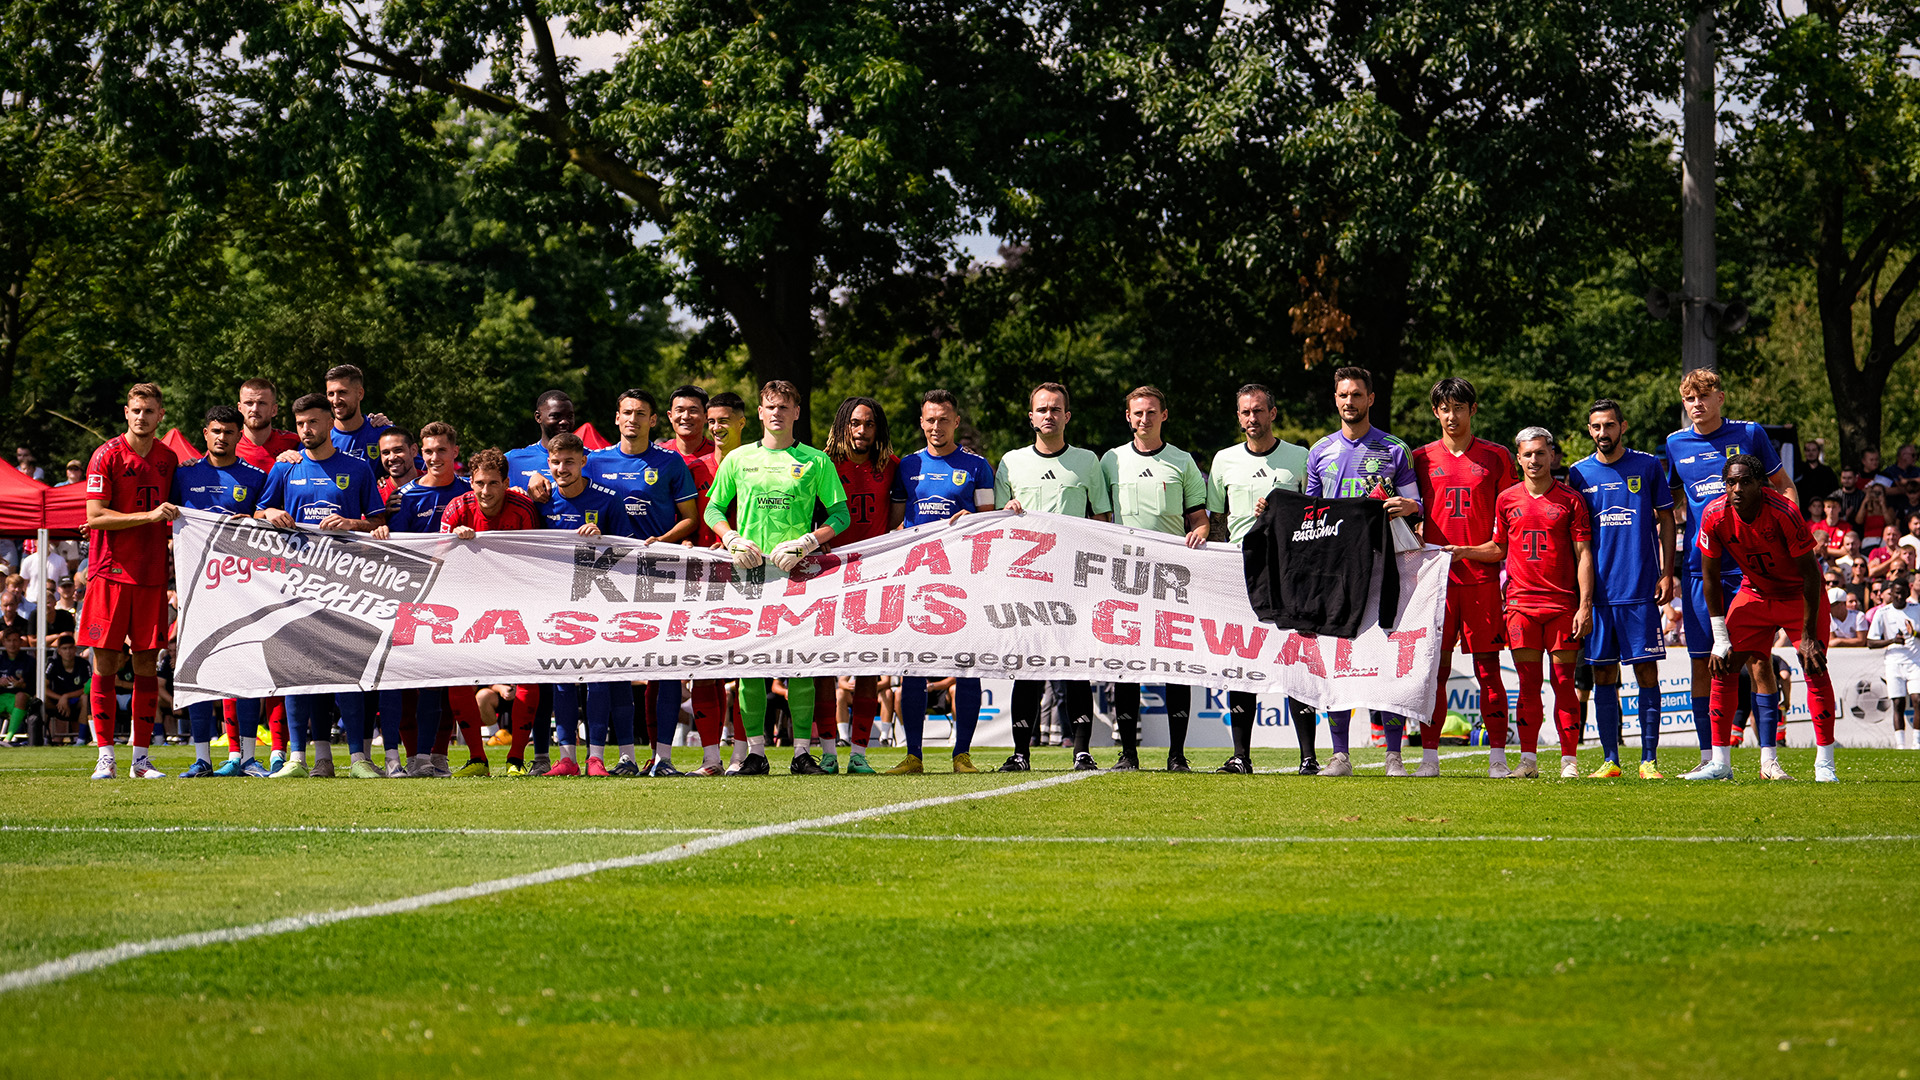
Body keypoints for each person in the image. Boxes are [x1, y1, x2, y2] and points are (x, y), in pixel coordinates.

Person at [704, 380, 850, 776]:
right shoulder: (738, 460)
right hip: (750, 575)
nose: (777, 413)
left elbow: (841, 516)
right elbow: (713, 509)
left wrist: (807, 542)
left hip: (798, 575)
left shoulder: (816, 461)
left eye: (785, 407)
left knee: (799, 664)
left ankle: (801, 753)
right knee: (750, 667)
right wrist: (731, 538)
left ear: (796, 413)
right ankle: (755, 753)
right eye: (770, 407)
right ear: (760, 412)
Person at [1665, 368, 1795, 772]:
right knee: (1704, 662)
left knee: (1758, 660)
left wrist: (1791, 537)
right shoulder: (1674, 443)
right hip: (1700, 568)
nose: (1697, 404)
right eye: (1689, 399)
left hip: (1749, 566)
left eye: (1704, 396)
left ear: (1721, 398)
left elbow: (1784, 486)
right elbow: (1671, 506)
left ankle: (1768, 758)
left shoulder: (1750, 433)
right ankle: (1710, 758)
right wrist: (1666, 567)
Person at [254, 392, 386, 778]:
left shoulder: (357, 469)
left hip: (346, 582)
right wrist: (271, 511)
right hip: (297, 581)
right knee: (299, 668)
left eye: (313, 422)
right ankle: (305, 758)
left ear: (329, 423)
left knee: (347, 666)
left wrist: (351, 523)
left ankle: (359, 759)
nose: (306, 430)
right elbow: (258, 513)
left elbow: (378, 522)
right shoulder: (285, 467)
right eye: (299, 424)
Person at [1449, 427, 1594, 778]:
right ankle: (1527, 760)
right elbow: (1499, 548)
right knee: (1528, 685)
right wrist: (1463, 551)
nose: (1534, 460)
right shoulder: (1507, 500)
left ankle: (1569, 761)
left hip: (1561, 606)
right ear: (1518, 458)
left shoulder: (1571, 500)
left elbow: (1584, 554)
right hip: (1519, 607)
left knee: (1563, 683)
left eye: (1540, 453)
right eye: (1527, 454)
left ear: (1552, 455)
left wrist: (1585, 605)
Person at [1689, 453, 1839, 782]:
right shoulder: (1713, 514)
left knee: (1814, 667)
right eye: (1731, 482)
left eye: (1745, 481)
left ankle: (1825, 763)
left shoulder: (1784, 512)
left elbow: (1811, 575)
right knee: (1724, 664)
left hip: (1797, 595)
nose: (1737, 488)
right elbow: (1710, 578)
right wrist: (1720, 637)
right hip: (1754, 592)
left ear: (1761, 484)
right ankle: (1720, 763)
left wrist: (1809, 636)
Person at [1303, 366, 1422, 777]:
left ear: (1370, 398)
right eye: (1342, 395)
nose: (1349, 402)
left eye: (1357, 394)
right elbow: (1310, 514)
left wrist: (1408, 508)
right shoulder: (1319, 451)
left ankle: (1394, 755)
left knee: (1388, 659)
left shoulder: (1395, 450)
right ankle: (1340, 755)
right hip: (1336, 572)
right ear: (1335, 400)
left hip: (1385, 566)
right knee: (1339, 661)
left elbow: (1416, 508)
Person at [994, 381, 1111, 772]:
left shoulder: (1087, 461)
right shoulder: (1010, 462)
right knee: (1027, 665)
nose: (1049, 415)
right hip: (1024, 583)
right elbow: (993, 523)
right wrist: (1005, 509)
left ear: (1067, 416)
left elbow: (1103, 521)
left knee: (1074, 664)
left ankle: (1081, 751)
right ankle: (1020, 753)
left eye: (1056, 409)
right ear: (1031, 417)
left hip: (1073, 582)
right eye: (1042, 409)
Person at [585, 389, 697, 776]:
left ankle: (663, 757)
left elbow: (691, 519)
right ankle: (626, 757)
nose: (633, 419)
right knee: (613, 665)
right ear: (616, 418)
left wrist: (665, 539)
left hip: (658, 571)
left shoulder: (670, 463)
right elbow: (566, 499)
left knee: (664, 665)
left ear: (654, 420)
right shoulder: (593, 462)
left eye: (641, 414)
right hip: (608, 575)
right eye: (626, 413)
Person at [1206, 383, 1316, 774]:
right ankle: (1241, 755)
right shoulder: (1223, 460)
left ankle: (1308, 757)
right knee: (1241, 662)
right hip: (1239, 570)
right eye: (1245, 413)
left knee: (1296, 660)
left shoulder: (1300, 457)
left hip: (1289, 570)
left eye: (1259, 411)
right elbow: (1217, 521)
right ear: (1239, 417)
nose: (1252, 419)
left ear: (1273, 413)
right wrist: (1217, 566)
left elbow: (1315, 513)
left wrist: (1281, 512)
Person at [1411, 377, 1517, 779]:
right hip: (1434, 581)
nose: (1451, 416)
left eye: (1459, 408)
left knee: (1488, 668)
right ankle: (1430, 758)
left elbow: (1512, 512)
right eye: (1444, 408)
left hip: (1482, 578)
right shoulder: (1419, 457)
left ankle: (1497, 758)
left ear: (1473, 410)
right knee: (1433, 669)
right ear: (1436, 412)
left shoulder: (1496, 457)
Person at [1100, 385, 1208, 772]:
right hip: (1124, 578)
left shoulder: (1183, 461)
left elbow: (1199, 517)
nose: (1143, 419)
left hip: (1172, 581)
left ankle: (1177, 756)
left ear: (1164, 415)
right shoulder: (1109, 461)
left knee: (1175, 665)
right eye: (1136, 413)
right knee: (1126, 666)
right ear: (1128, 417)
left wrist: (1202, 531)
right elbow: (1098, 519)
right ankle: (1127, 754)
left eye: (1150, 412)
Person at [376, 422, 493, 778]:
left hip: (460, 599)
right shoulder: (405, 497)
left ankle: (436, 757)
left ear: (455, 452)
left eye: (441, 450)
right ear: (418, 453)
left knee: (444, 685)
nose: (434, 457)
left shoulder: (470, 492)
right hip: (414, 599)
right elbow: (396, 548)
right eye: (428, 451)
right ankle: (413, 757)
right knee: (408, 681)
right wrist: (383, 530)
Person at [1568, 398, 1676, 779]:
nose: (1603, 434)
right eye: (1596, 427)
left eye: (1609, 426)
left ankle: (1648, 760)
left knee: (1647, 675)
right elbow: (1576, 539)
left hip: (1639, 590)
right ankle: (1611, 760)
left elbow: (1666, 519)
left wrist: (1666, 572)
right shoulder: (1577, 474)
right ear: (1589, 430)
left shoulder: (1646, 466)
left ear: (1622, 426)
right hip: (1597, 597)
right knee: (1602, 677)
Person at [80, 382, 180, 779]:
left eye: (149, 411)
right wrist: (151, 516)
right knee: (105, 663)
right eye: (136, 410)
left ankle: (141, 759)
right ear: (126, 412)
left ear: (161, 416)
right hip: (110, 572)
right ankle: (105, 755)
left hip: (153, 575)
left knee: (145, 666)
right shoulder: (105, 455)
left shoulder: (168, 459)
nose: (142, 417)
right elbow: (95, 516)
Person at [889, 390, 991, 774]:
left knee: (967, 662)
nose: (936, 426)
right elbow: (894, 524)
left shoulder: (978, 466)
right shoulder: (907, 465)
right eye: (930, 419)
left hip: (963, 575)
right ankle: (913, 754)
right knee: (912, 663)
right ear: (921, 422)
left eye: (943, 419)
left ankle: (961, 754)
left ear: (956, 422)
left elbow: (988, 519)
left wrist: (972, 519)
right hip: (916, 576)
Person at [168, 405, 270, 777]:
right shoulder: (184, 476)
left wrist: (257, 517)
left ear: (238, 435)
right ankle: (201, 758)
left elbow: (268, 517)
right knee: (196, 669)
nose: (222, 438)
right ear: (205, 433)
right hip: (195, 590)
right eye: (215, 431)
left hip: (242, 586)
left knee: (246, 666)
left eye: (229, 432)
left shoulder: (256, 477)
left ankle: (247, 757)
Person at [537, 431, 640, 777]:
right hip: (554, 601)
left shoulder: (609, 500)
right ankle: (566, 758)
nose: (562, 468)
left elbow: (630, 550)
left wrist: (604, 541)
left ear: (584, 462)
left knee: (599, 676)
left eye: (569, 461)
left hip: (599, 601)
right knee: (563, 678)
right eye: (555, 462)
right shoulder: (542, 501)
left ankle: (595, 756)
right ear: (548, 463)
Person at [442, 448, 546, 774]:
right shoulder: (457, 507)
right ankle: (477, 758)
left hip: (516, 605)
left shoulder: (523, 509)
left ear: (506, 483)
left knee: (528, 677)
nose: (485, 491)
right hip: (469, 606)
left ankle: (516, 758)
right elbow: (438, 557)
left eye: (492, 483)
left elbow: (534, 559)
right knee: (457, 678)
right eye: (478, 483)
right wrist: (454, 541)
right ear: (470, 482)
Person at [815, 396, 897, 775]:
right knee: (823, 666)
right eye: (854, 423)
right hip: (829, 576)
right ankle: (829, 751)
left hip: (876, 576)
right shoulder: (822, 464)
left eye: (868, 424)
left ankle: (860, 753)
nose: (861, 431)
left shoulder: (893, 467)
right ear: (842, 426)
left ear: (877, 428)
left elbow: (899, 523)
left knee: (868, 667)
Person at [658, 384, 730, 775]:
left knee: (711, 666)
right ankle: (660, 756)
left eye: (694, 410)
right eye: (678, 410)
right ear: (669, 416)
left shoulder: (726, 457)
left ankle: (713, 757)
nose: (686, 417)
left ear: (706, 415)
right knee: (660, 665)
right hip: (668, 571)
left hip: (720, 572)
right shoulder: (657, 457)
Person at [1866, 573, 1920, 751]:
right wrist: (1891, 640)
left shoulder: (1916, 609)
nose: (1899, 596)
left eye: (1902, 593)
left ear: (1908, 592)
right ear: (1890, 593)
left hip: (1915, 662)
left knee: (1917, 699)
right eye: (1896, 593)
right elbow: (1870, 642)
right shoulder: (1883, 613)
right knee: (1898, 703)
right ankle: (1900, 744)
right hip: (1894, 662)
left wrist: (1914, 634)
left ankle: (1917, 742)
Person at [323, 364, 394, 472]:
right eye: (331, 394)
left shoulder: (384, 432)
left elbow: (418, 472)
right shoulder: (321, 438)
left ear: (360, 394)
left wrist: (390, 482)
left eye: (342, 392)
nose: (336, 400)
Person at [504, 390, 577, 491]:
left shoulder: (588, 459)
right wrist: (507, 493)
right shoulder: (513, 460)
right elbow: (480, 492)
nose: (564, 422)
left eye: (570, 416)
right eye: (555, 416)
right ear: (538, 417)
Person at [234, 378, 302, 473]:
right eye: (249, 403)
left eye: (262, 403)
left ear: (274, 410)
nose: (254, 409)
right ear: (240, 408)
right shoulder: (228, 444)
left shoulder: (294, 442)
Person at [44, 634, 90, 744]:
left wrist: (66, 696)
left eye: (70, 648)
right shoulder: (53, 663)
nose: (68, 652)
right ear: (59, 651)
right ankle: (43, 737)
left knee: (86, 698)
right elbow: (43, 687)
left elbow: (87, 688)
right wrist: (61, 698)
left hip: (75, 701)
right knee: (40, 699)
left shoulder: (83, 664)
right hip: (57, 701)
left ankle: (81, 739)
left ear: (75, 649)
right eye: (64, 649)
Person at [0, 627, 31, 745]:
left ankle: (8, 738)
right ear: (4, 642)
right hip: (2, 697)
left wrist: (22, 685)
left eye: (15, 640)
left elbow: (34, 687)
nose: (12, 644)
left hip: (19, 700)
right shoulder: (0, 659)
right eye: (9, 641)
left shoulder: (29, 662)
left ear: (20, 642)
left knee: (21, 696)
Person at [375, 427, 422, 502]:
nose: (392, 458)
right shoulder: (375, 496)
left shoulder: (435, 481)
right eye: (386, 453)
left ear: (414, 450)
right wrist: (384, 513)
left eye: (398, 450)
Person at [1799, 438, 1839, 511]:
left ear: (1818, 452)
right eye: (1808, 450)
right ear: (1804, 452)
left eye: (1814, 450)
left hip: (1824, 512)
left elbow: (1835, 491)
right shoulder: (1798, 471)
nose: (1811, 453)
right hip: (1803, 512)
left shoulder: (1827, 471)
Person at [707, 392, 748, 463]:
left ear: (741, 423)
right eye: (711, 421)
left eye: (723, 421)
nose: (716, 428)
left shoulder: (756, 465)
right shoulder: (695, 469)